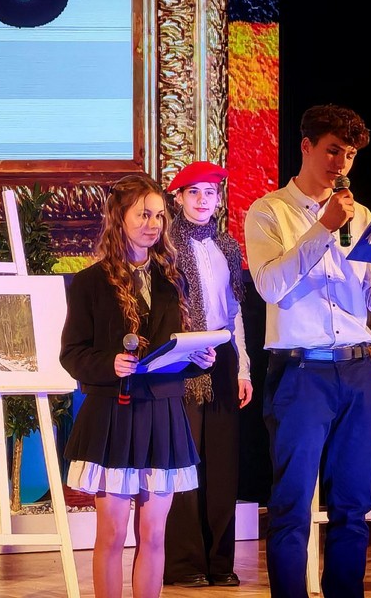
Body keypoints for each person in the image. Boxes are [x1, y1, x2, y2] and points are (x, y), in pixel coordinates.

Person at [243, 104, 371, 598]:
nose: (341, 164)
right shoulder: (268, 211)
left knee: (353, 505)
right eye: (333, 151)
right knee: (292, 505)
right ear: (306, 146)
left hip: (358, 371)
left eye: (350, 155)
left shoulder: (363, 216)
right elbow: (270, 287)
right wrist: (322, 228)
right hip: (301, 373)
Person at [60, 173, 217, 598]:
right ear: (119, 217)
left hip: (163, 415)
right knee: (112, 534)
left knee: (154, 533)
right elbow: (72, 354)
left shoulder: (172, 278)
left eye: (159, 216)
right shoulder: (91, 282)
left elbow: (173, 352)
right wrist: (109, 363)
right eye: (143, 214)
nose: (153, 224)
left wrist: (197, 360)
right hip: (114, 414)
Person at [162, 161, 253, 588]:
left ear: (219, 199)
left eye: (210, 193)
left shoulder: (227, 246)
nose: (202, 200)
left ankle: (220, 562)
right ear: (178, 197)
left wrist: (243, 369)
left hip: (223, 357)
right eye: (193, 192)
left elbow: (234, 312)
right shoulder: (166, 245)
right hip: (182, 358)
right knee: (185, 460)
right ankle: (184, 564)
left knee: (221, 464)